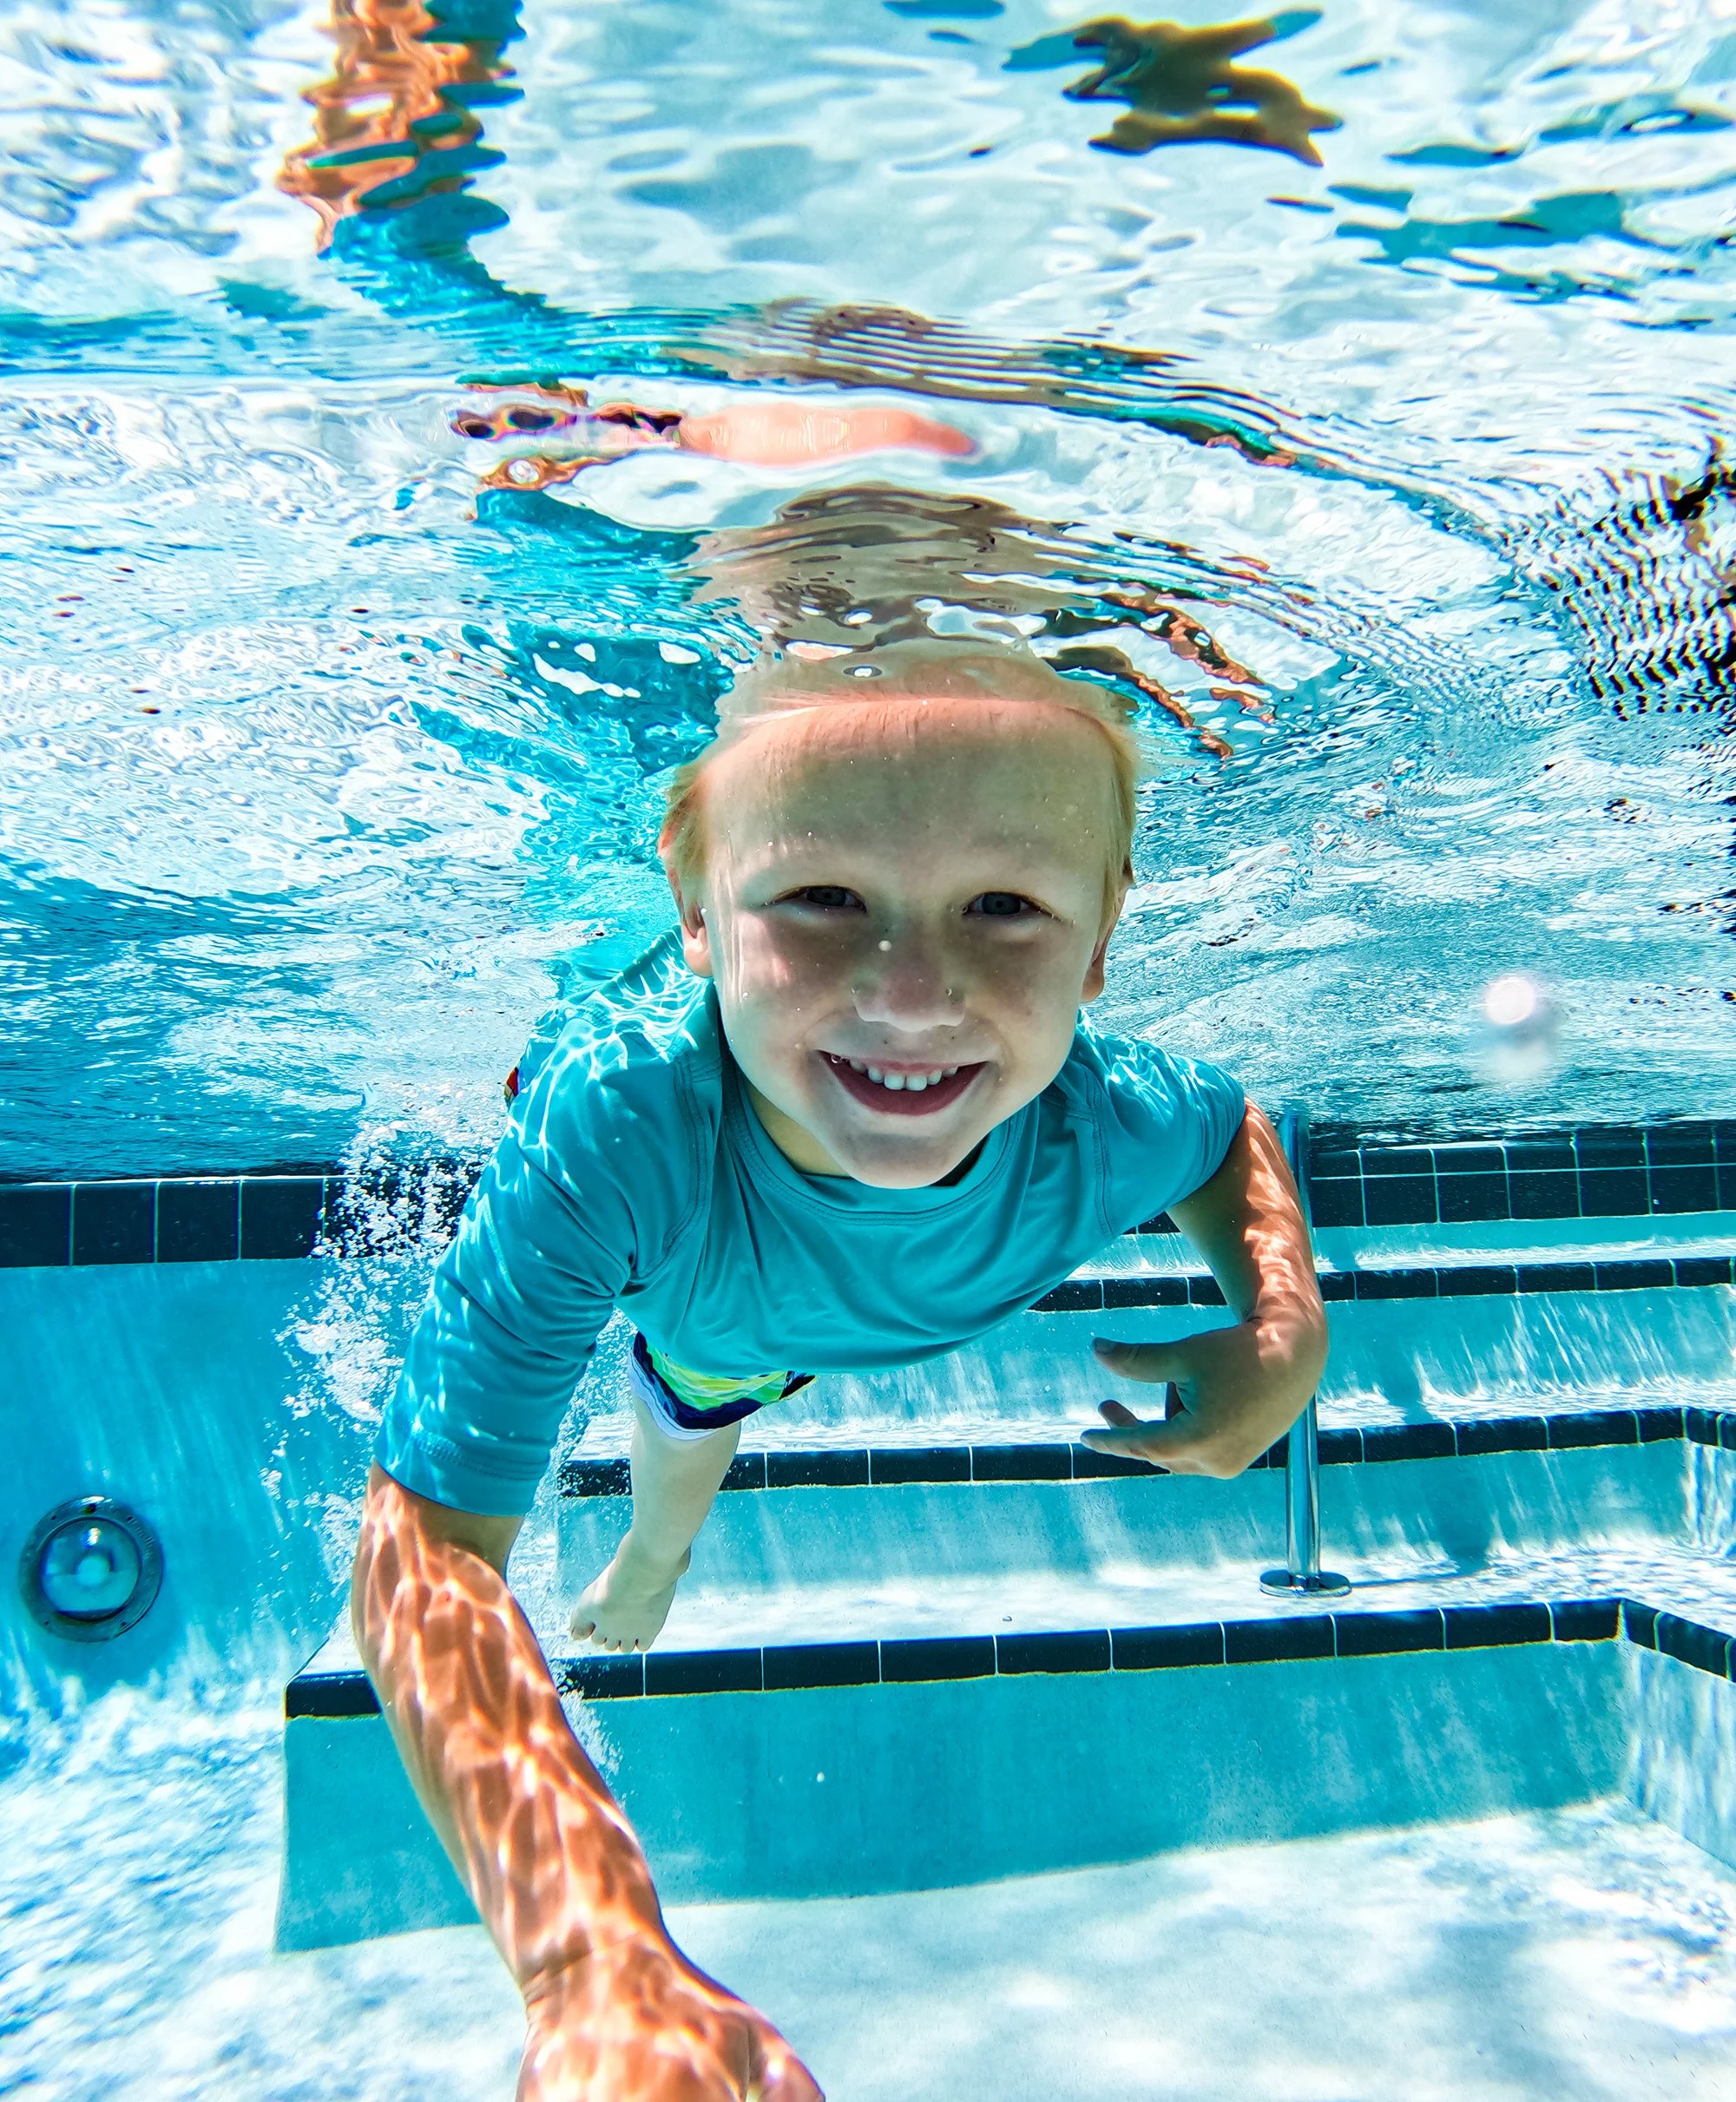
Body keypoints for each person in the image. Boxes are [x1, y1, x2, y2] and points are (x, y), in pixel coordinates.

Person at [352, 632, 1327, 2099]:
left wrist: (1283, 1329)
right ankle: (653, 1564)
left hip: (804, 1295)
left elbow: (1231, 1128)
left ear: (1104, 943)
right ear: (693, 907)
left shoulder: (1097, 1121)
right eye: (823, 897)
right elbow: (420, 1546)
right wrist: (590, 1958)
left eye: (1006, 905)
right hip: (719, 1314)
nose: (916, 993)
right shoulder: (619, 1127)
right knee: (686, 1437)